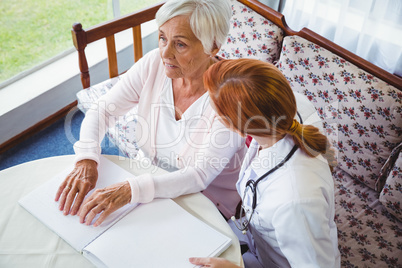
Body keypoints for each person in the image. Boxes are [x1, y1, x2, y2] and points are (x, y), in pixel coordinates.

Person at [55, 0, 247, 226]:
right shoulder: (154, 64)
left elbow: (198, 176)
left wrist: (130, 190)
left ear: (212, 47)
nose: (165, 53)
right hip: (146, 183)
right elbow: (103, 110)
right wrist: (86, 158)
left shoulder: (234, 97)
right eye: (162, 37)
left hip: (204, 203)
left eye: (180, 44)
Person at [190, 58, 340, 267]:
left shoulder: (295, 202)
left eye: (216, 113)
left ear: (234, 125)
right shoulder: (279, 115)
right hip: (253, 240)